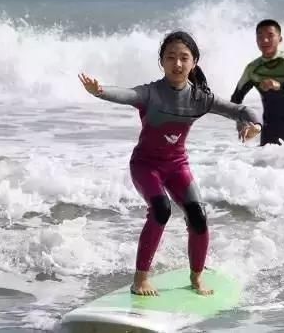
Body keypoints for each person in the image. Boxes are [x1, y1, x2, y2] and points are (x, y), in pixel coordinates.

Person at [78, 31, 262, 297]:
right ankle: (140, 279)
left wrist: (254, 125)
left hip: (177, 166)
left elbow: (240, 110)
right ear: (162, 62)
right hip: (145, 165)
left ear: (194, 62)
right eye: (170, 58)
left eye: (183, 58)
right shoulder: (151, 93)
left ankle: (197, 277)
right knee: (161, 210)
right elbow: (127, 94)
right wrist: (100, 90)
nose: (177, 64)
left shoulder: (200, 98)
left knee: (198, 216)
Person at [230, 19, 284, 146]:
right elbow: (235, 100)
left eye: (270, 36)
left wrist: (281, 85)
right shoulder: (252, 69)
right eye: (260, 36)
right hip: (269, 135)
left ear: (280, 39)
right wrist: (242, 123)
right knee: (264, 166)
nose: (265, 40)